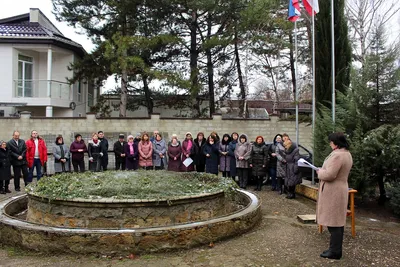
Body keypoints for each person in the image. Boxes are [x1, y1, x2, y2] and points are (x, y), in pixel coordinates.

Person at [316, 132, 353, 260]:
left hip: (334, 191)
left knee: (334, 223)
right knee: (337, 221)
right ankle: (334, 249)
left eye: (331, 141)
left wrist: (320, 172)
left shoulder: (338, 155)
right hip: (339, 189)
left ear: (336, 143)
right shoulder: (346, 153)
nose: (330, 144)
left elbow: (330, 175)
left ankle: (335, 251)